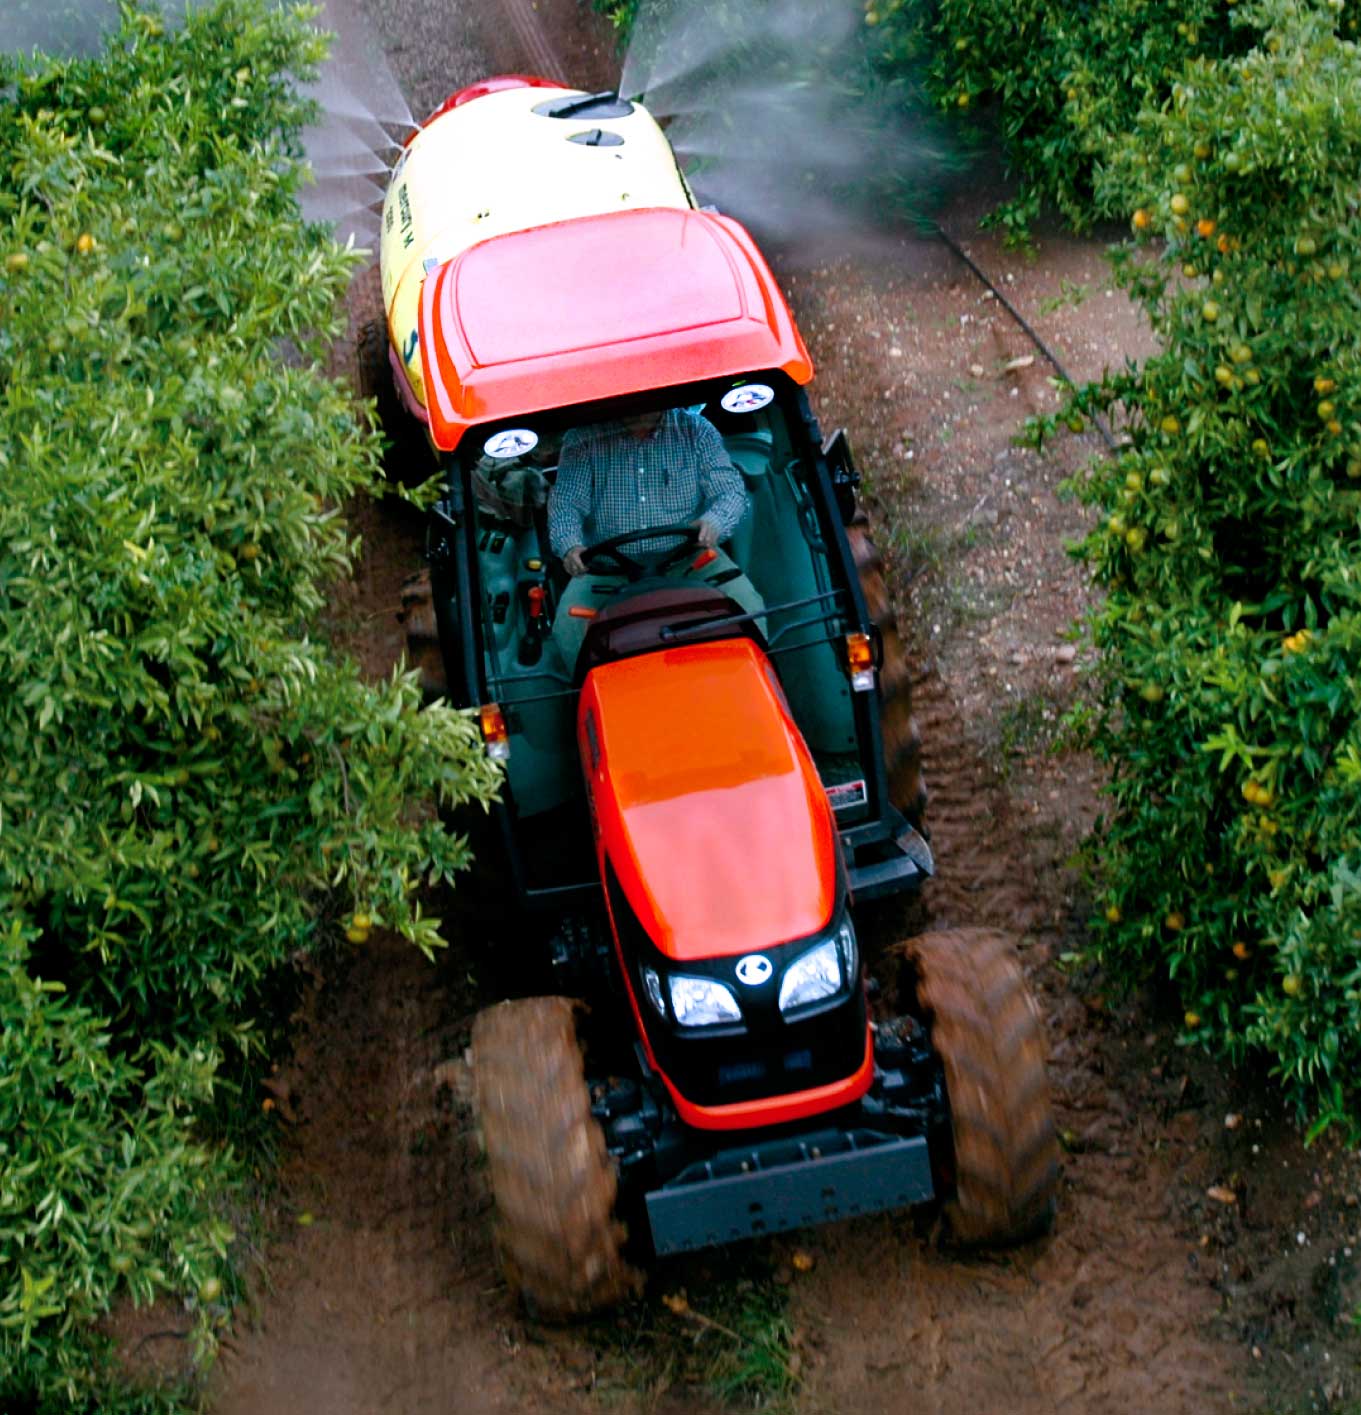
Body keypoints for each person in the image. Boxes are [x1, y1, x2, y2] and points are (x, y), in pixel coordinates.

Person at [546, 407, 763, 667]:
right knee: (567, 627)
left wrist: (713, 522)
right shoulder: (583, 438)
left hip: (690, 559)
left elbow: (730, 492)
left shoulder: (696, 430)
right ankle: (593, 698)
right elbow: (566, 505)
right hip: (609, 568)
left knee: (749, 603)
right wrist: (570, 546)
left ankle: (751, 682)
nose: (638, 409)